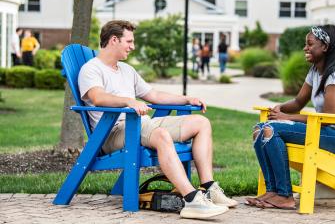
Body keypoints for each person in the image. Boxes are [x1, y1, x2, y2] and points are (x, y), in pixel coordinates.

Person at [78, 20, 237, 219]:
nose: (132, 46)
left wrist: (186, 98)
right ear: (114, 40)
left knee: (201, 123)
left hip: (141, 124)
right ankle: (192, 200)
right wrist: (128, 101)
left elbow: (154, 96)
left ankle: (208, 188)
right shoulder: (91, 69)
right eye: (129, 41)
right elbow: (98, 98)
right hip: (113, 132)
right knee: (160, 135)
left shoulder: (127, 70)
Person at [245, 25, 335, 210]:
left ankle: (284, 195)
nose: (305, 48)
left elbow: (329, 117)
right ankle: (273, 191)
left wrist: (285, 117)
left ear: (325, 47)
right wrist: (279, 108)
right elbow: (299, 101)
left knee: (270, 129)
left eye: (310, 44)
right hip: (324, 132)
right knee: (260, 128)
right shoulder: (316, 71)